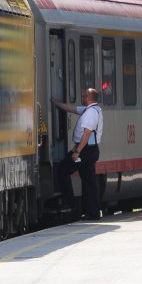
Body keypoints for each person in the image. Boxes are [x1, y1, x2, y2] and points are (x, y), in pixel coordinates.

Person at [50, 88, 104, 219]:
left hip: (84, 150)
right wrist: (54, 102)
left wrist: (77, 151)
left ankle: (70, 202)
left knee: (63, 170)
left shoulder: (90, 113)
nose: (82, 97)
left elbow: (87, 134)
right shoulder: (92, 110)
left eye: (84, 96)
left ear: (88, 97)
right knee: (89, 181)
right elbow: (71, 108)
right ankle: (93, 212)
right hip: (90, 150)